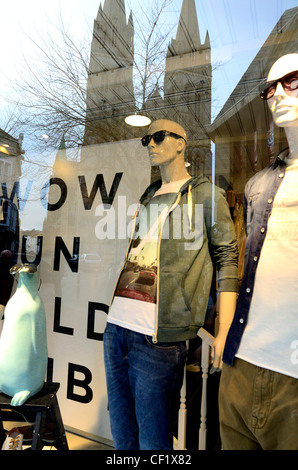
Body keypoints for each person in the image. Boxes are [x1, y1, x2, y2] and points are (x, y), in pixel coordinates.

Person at [103, 119, 238, 450]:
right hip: (117, 327)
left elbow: (228, 259)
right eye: (148, 138)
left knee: (153, 442)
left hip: (158, 338)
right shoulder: (149, 194)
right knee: (123, 437)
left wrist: (225, 328)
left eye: (159, 136)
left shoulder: (207, 195)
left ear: (181, 143)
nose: (151, 143)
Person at [219, 53, 298, 450]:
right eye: (270, 89)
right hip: (241, 363)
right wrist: (224, 333)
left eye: (292, 81)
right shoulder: (257, 185)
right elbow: (238, 265)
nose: (279, 94)